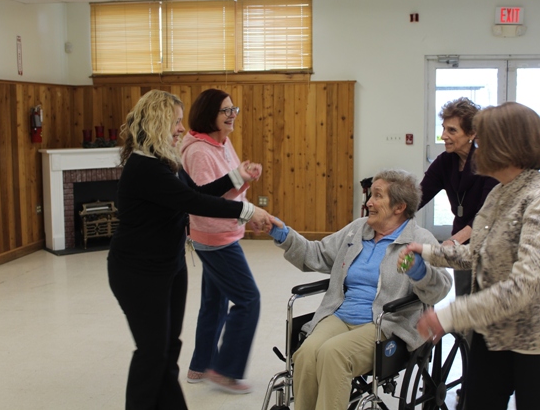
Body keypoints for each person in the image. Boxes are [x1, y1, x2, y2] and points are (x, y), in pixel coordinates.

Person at [400, 102, 540, 410]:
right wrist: (431, 252)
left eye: (482, 140)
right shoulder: (501, 191)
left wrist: (448, 316)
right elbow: (480, 251)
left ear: (505, 146)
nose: (476, 148)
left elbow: (523, 286)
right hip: (496, 333)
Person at [107, 89, 271, 410]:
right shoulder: (145, 168)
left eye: (182, 122)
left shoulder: (166, 163)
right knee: (152, 351)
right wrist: (249, 212)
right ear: (157, 123)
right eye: (176, 122)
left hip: (170, 266)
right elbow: (195, 202)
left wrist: (238, 177)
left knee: (168, 348)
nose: (181, 129)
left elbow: (200, 191)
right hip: (138, 273)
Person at [268, 169, 452, 410]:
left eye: (377, 196)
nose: (368, 203)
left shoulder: (420, 239)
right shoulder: (358, 230)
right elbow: (319, 254)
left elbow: (441, 288)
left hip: (385, 324)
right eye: (370, 196)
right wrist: (283, 234)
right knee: (306, 354)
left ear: (399, 207)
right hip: (341, 314)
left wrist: (420, 273)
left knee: (333, 355)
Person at [180, 89, 260, 394]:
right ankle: (226, 371)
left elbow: (226, 187)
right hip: (214, 237)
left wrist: (244, 178)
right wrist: (237, 178)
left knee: (214, 303)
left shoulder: (223, 143)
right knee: (248, 299)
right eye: (225, 110)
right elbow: (203, 198)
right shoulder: (199, 151)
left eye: (233, 109)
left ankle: (200, 367)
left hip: (220, 232)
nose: (232, 115)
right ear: (208, 114)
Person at [418, 97, 498, 296]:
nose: (444, 136)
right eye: (444, 128)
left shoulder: (490, 163)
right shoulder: (445, 161)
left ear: (472, 133)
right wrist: (392, 213)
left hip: (489, 240)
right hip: (461, 238)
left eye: (452, 130)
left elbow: (485, 216)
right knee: (463, 295)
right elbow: (418, 196)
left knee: (484, 302)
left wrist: (454, 242)